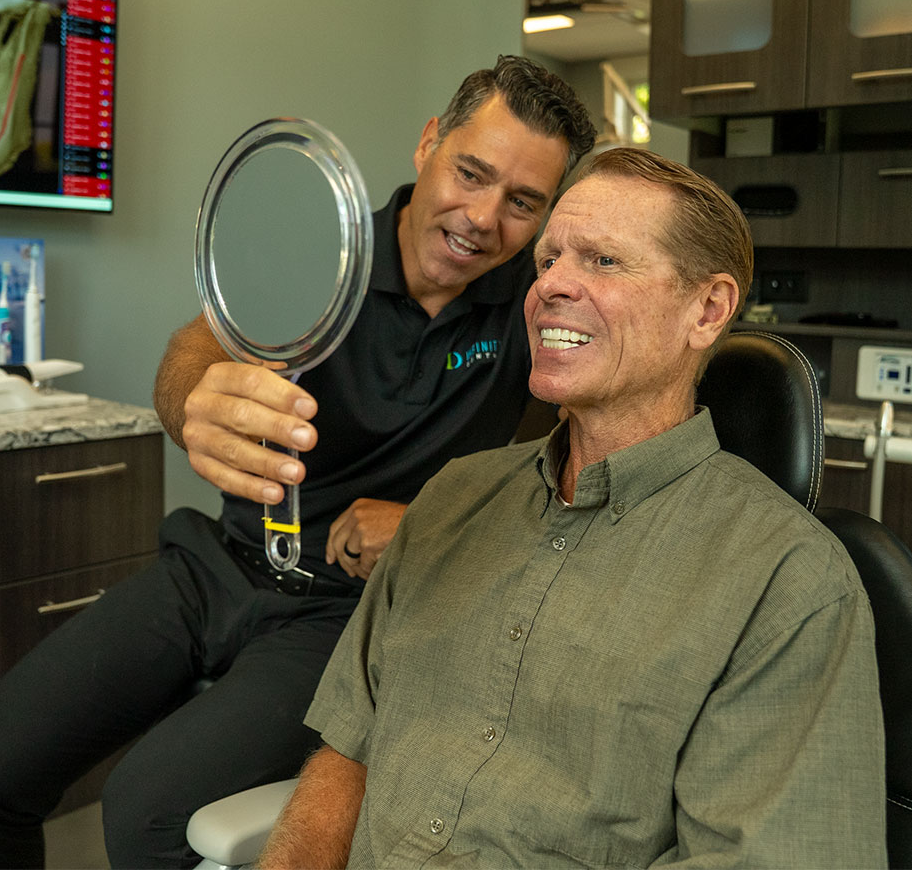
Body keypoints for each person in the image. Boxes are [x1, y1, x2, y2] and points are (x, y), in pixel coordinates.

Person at [0, 56, 595, 869]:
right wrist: (197, 406)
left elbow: (570, 473)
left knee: (148, 810)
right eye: (470, 173)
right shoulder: (320, 251)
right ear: (428, 143)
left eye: (522, 203)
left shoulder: (534, 309)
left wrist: (437, 526)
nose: (481, 217)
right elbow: (194, 350)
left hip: (344, 615)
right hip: (215, 565)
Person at [259, 147, 888, 870]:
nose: (551, 285)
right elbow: (349, 752)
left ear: (706, 309)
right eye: (548, 260)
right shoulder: (451, 500)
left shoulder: (787, 584)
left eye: (602, 262)